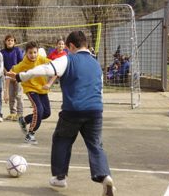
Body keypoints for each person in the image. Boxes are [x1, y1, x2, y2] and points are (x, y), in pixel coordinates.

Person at [7, 31, 115, 196]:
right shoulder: (95, 64)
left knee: (61, 140)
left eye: (67, 47)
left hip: (73, 110)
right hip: (95, 110)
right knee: (95, 145)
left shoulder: (68, 59)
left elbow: (45, 68)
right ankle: (105, 176)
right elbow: (99, 89)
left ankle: (60, 177)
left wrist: (21, 76)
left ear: (71, 46)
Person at [11, 41, 52, 144]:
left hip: (42, 88)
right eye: (30, 53)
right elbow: (13, 70)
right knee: (39, 109)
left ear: (38, 52)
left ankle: (24, 120)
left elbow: (53, 65)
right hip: (30, 89)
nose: (33, 55)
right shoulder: (23, 64)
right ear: (26, 53)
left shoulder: (41, 59)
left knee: (46, 113)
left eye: (35, 52)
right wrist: (10, 75)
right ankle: (30, 134)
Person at [1, 34, 24, 121]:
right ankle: (13, 113)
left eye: (12, 40)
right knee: (11, 96)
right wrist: (6, 73)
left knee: (19, 95)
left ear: (14, 42)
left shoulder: (17, 50)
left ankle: (20, 113)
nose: (10, 42)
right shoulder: (2, 52)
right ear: (5, 42)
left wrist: (15, 74)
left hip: (17, 75)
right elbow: (1, 64)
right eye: (8, 40)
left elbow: (21, 63)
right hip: (7, 76)